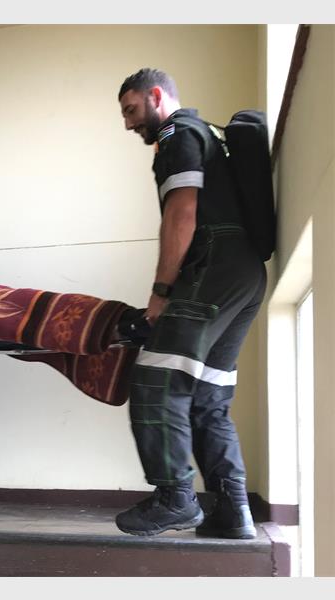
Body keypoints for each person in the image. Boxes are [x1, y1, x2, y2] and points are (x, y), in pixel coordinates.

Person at [114, 68, 266, 539]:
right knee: (208, 399)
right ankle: (234, 513)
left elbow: (182, 213)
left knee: (156, 379)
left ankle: (175, 498)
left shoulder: (177, 134)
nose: (128, 124)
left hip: (214, 265)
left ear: (157, 96)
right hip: (247, 274)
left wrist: (161, 292)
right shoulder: (213, 134)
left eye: (131, 110)